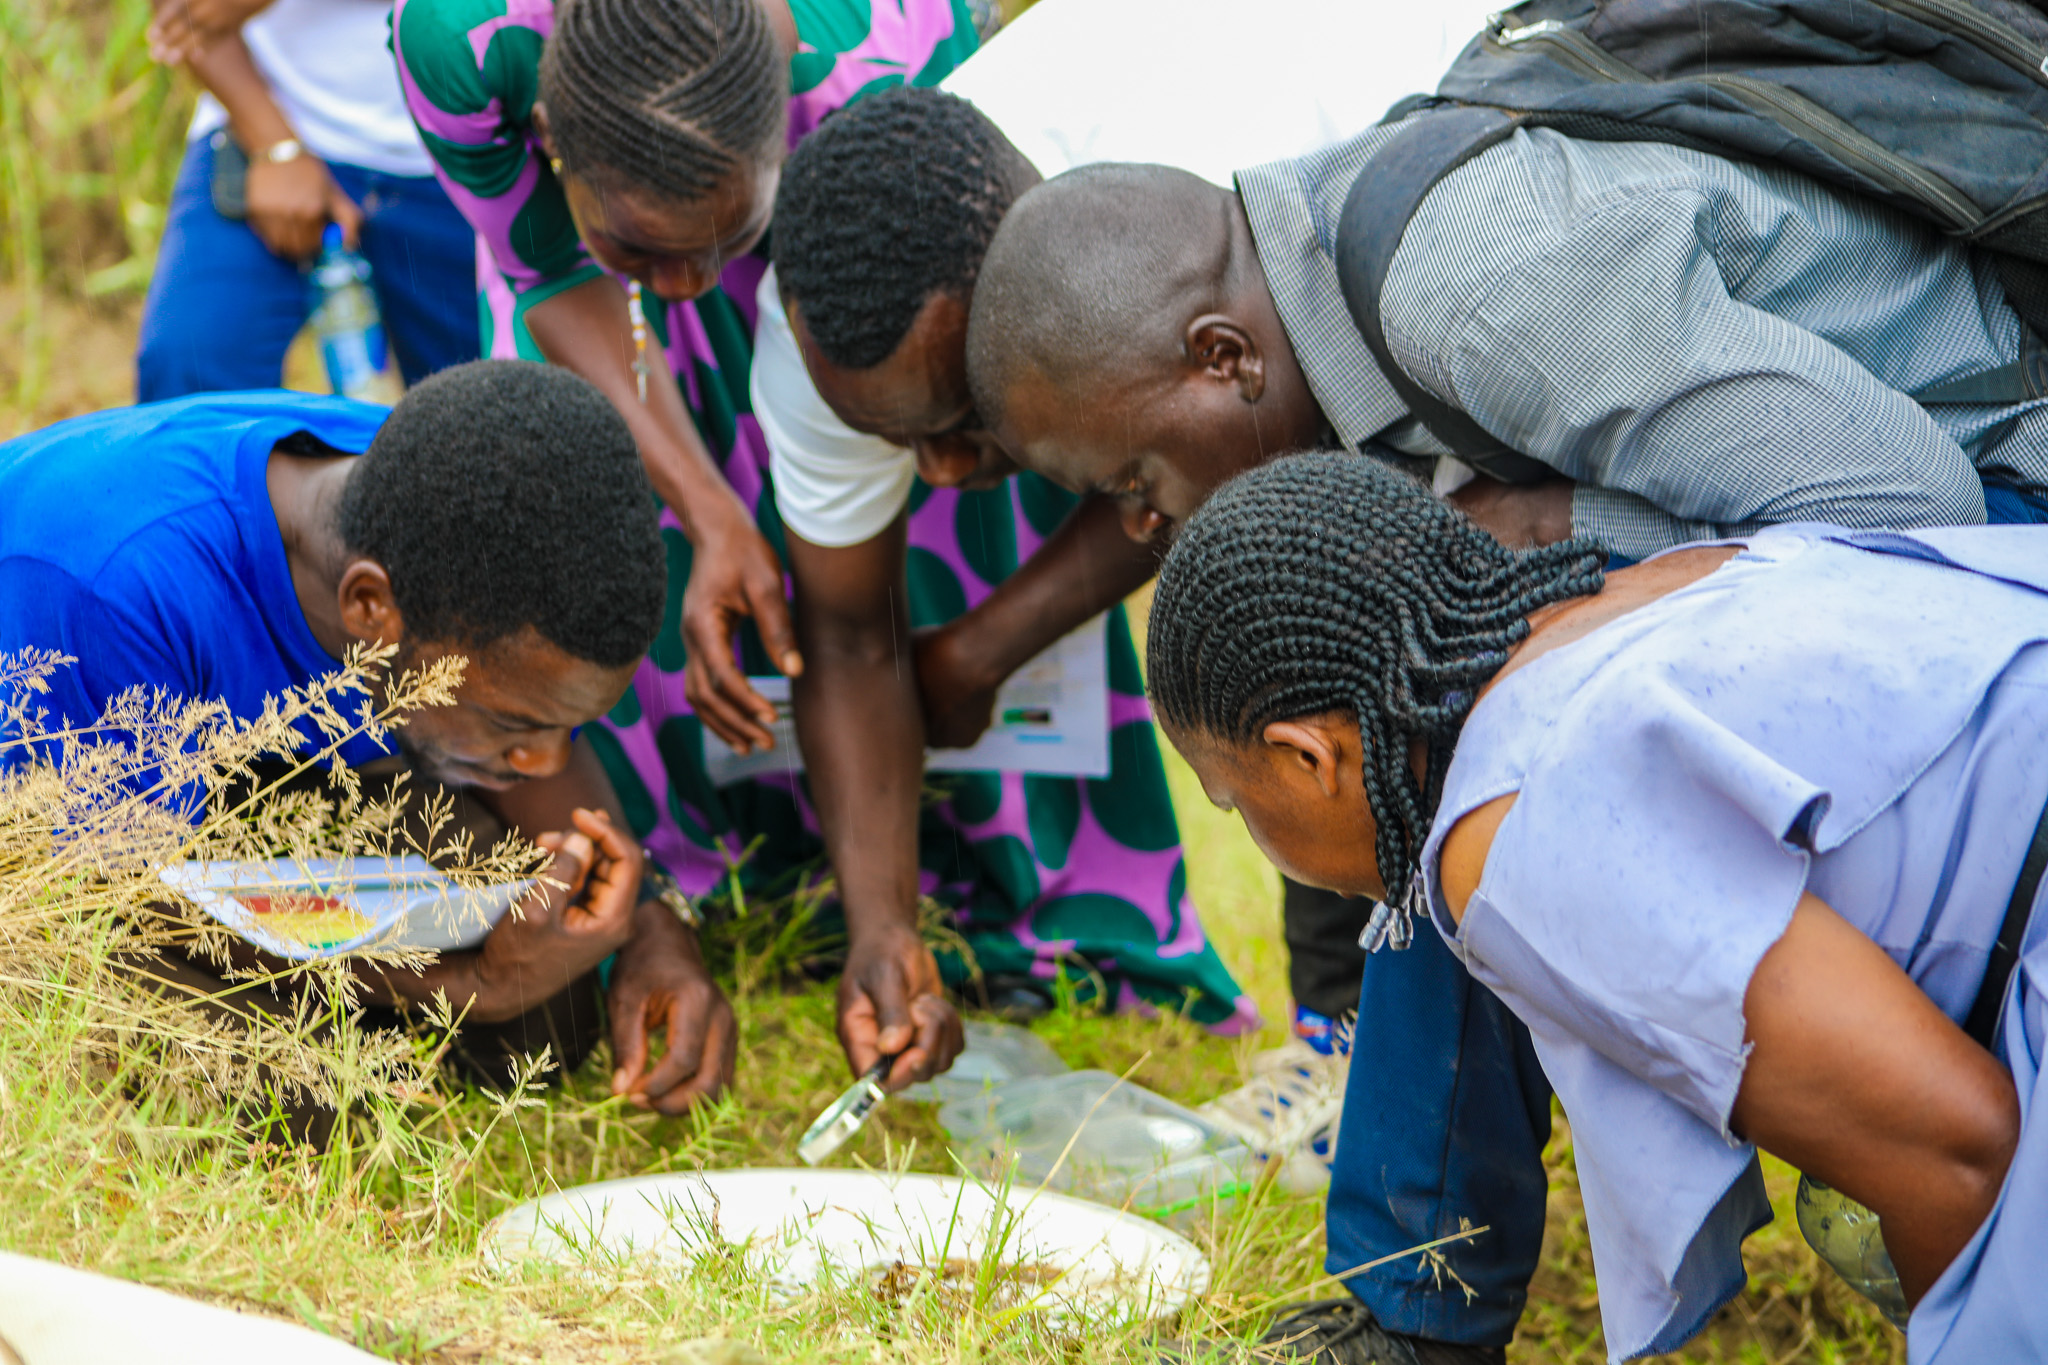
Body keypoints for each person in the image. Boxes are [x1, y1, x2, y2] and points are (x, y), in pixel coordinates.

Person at [961, 138, 2048, 1360]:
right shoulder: (1565, 646)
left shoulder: (1479, 289)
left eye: (1130, 480)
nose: (1139, 523)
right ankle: (1411, 1297)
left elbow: (1955, 1150)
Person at [754, 0, 1499, 1134]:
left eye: (962, 418)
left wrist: (988, 644)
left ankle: (1398, 1047)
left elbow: (1260, 497)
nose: (944, 476)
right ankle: (1362, 1043)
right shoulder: (841, 323)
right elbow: (854, 638)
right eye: (897, 441)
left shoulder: (1226, 199)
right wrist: (883, 927)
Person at [1144, 451, 2048, 1363]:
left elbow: (1955, 1155)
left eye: (1236, 804)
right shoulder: (1656, 582)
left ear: (1308, 758)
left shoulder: (1519, 827)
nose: (1253, 834)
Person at [393, 0, 995, 1090]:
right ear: (552, 135)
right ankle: (667, 900)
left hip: (855, 217)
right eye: (642, 249)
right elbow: (548, 275)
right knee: (587, 520)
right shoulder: (461, 39)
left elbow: (855, 618)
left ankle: (916, 900)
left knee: (885, 529)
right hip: (576, 302)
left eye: (726, 243)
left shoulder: (883, 69)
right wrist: (711, 514)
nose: (687, 291)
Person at [0, 361, 734, 1117]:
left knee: (547, 1022)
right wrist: (460, 989)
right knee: (290, 1100)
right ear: (370, 606)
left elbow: (534, 723)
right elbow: (118, 908)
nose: (549, 760)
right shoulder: (115, 594)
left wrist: (648, 925)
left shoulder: (452, 505)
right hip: (62, 856)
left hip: (233, 788)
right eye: (516, 725)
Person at [137, 0, 479, 400]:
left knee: (489, 407)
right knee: (190, 368)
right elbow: (186, 15)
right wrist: (275, 145)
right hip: (265, 118)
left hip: (455, 147)